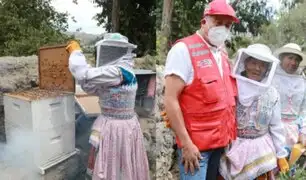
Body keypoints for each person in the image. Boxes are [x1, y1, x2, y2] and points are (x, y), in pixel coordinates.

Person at [163, 0, 239, 179]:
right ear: (204, 21)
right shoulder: (183, 50)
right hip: (196, 150)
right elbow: (170, 99)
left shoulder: (221, 53)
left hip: (219, 145)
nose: (223, 28)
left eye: (227, 25)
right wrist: (186, 145)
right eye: (218, 22)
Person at [66, 33, 150, 180]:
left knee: (116, 166)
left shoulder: (118, 72)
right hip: (115, 125)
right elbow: (90, 86)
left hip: (118, 129)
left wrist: (76, 52)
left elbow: (82, 74)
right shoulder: (116, 72)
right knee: (113, 164)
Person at [218, 44, 289, 180]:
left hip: (261, 151)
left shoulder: (272, 93)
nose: (257, 68)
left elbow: (276, 126)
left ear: (267, 69)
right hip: (232, 148)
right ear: (245, 63)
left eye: (262, 65)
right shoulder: (232, 86)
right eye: (253, 62)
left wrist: (281, 154)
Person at [271, 43, 306, 152]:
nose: (293, 63)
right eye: (290, 58)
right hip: (272, 131)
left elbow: (304, 109)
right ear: (281, 58)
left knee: (292, 165)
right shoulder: (271, 77)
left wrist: (303, 131)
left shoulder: (302, 80)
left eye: (296, 60)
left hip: (295, 132)